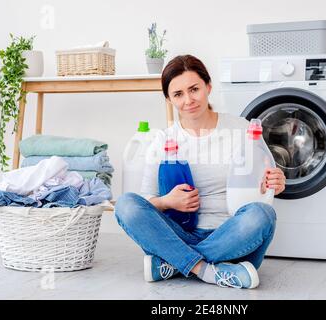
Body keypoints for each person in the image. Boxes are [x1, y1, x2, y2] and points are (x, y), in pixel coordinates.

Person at [115, 55, 286, 289]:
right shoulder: (163, 139)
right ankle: (206, 270)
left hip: (232, 239)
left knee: (262, 215)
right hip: (179, 234)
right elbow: (144, 202)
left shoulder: (241, 129)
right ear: (169, 99)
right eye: (178, 94)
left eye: (194, 89)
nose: (188, 100)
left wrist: (275, 181)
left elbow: (265, 179)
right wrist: (166, 201)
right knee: (125, 205)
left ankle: (174, 264)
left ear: (208, 86)